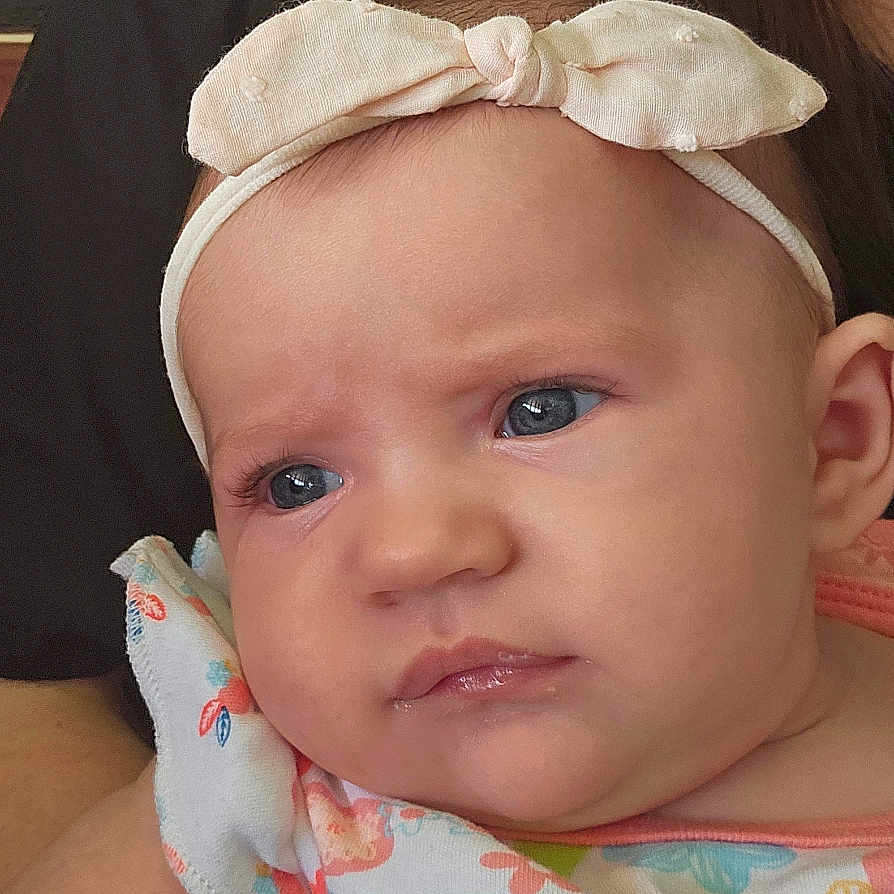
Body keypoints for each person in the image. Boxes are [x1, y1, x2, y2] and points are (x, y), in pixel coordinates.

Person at [3, 0, 893, 891]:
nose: (413, 552)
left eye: (540, 411)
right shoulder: (253, 794)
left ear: (833, 442)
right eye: (297, 483)